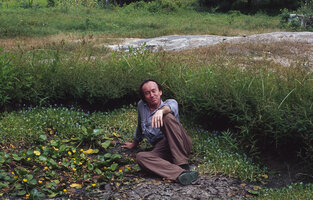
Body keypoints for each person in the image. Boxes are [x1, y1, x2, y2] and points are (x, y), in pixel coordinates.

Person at [122, 79, 198, 185]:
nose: (152, 95)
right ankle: (181, 174)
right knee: (141, 157)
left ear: (160, 92)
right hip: (162, 148)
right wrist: (135, 142)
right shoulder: (141, 106)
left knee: (166, 117)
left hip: (180, 143)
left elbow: (170, 107)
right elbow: (140, 125)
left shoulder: (170, 103)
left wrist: (161, 111)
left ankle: (182, 164)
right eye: (147, 93)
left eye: (154, 91)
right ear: (144, 96)